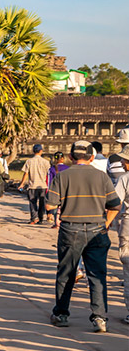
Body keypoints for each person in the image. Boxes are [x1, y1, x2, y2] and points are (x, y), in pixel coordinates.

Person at [45, 140, 120, 332]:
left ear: (71, 157)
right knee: (97, 275)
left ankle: (61, 313)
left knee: (66, 273)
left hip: (70, 229)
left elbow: (49, 205)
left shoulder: (63, 176)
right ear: (92, 157)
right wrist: (106, 223)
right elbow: (115, 205)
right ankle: (100, 318)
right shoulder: (101, 177)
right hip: (97, 228)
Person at [111, 144, 129, 325]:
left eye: (125, 161)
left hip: (128, 224)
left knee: (128, 266)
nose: (123, 164)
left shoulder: (125, 178)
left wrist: (106, 222)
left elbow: (116, 203)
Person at [19, 144, 51, 224]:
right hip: (43, 185)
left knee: (32, 202)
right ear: (41, 151)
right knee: (42, 203)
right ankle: (40, 218)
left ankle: (34, 218)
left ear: (33, 151)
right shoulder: (46, 162)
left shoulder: (29, 161)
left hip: (32, 185)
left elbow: (26, 173)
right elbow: (49, 174)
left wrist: (22, 184)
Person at [46, 151, 70, 229]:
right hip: (66, 189)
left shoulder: (52, 169)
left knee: (56, 206)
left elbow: (49, 181)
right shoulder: (68, 168)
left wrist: (48, 191)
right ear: (63, 159)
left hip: (56, 190)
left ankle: (57, 222)